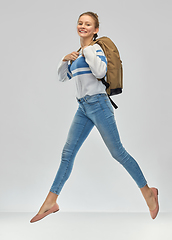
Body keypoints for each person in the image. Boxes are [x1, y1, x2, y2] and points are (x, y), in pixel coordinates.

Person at [30, 12, 159, 223]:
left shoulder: (95, 49)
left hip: (98, 104)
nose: (83, 26)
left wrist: (88, 50)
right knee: (67, 153)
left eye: (88, 24)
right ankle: (50, 202)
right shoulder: (79, 53)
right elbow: (62, 77)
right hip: (82, 108)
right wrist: (65, 59)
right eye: (80, 23)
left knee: (118, 153)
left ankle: (148, 192)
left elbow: (100, 71)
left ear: (95, 29)